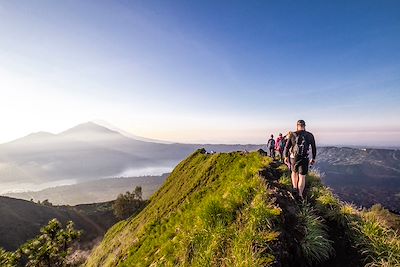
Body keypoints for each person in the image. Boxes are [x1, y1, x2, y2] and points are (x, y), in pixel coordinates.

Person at [284, 120, 316, 200]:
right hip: (304, 158)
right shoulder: (310, 135)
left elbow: (287, 147)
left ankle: (295, 187)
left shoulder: (293, 134)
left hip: (294, 157)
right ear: (304, 126)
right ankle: (300, 194)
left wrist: (285, 157)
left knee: (294, 172)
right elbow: (313, 148)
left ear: (297, 126)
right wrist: (313, 158)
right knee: (302, 176)